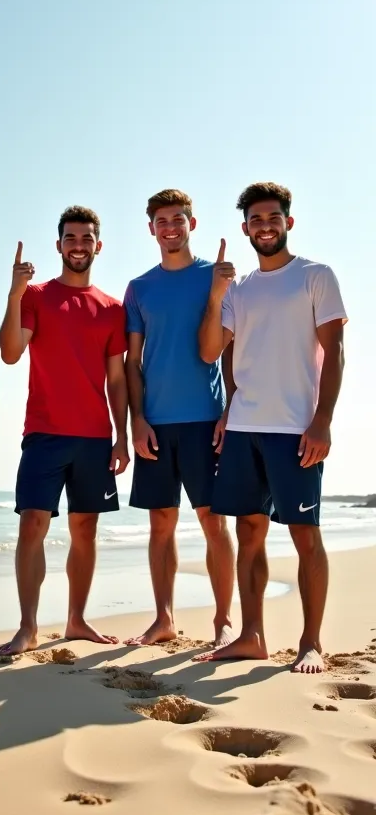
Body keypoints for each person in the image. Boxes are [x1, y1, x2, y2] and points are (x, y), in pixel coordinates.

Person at [196, 182, 347, 674]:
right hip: (243, 429)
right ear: (245, 228)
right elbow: (220, 353)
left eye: (272, 217)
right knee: (249, 532)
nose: (265, 225)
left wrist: (322, 419)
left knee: (305, 533)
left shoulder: (315, 276)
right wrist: (229, 408)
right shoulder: (238, 290)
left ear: (288, 221)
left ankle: (311, 642)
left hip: (295, 427)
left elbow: (335, 351)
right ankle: (252, 635)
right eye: (256, 220)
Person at [0, 205, 130, 657]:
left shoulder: (112, 309)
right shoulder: (36, 295)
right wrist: (14, 294)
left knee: (84, 529)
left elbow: (117, 379)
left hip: (94, 436)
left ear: (98, 245)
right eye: (70, 237)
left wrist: (122, 435)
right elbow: (11, 352)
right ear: (59, 245)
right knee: (32, 524)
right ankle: (28, 627)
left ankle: (76, 620)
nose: (78, 245)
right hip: (44, 432)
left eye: (86, 237)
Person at [123, 189, 235, 648]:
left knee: (213, 520)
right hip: (155, 422)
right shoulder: (140, 287)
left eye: (178, 219)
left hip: (205, 421)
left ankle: (224, 621)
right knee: (160, 523)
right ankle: (163, 618)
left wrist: (231, 409)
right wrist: (136, 420)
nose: (170, 227)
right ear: (151, 228)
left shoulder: (218, 276)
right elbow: (132, 362)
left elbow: (232, 350)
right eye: (162, 220)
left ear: (192, 223)